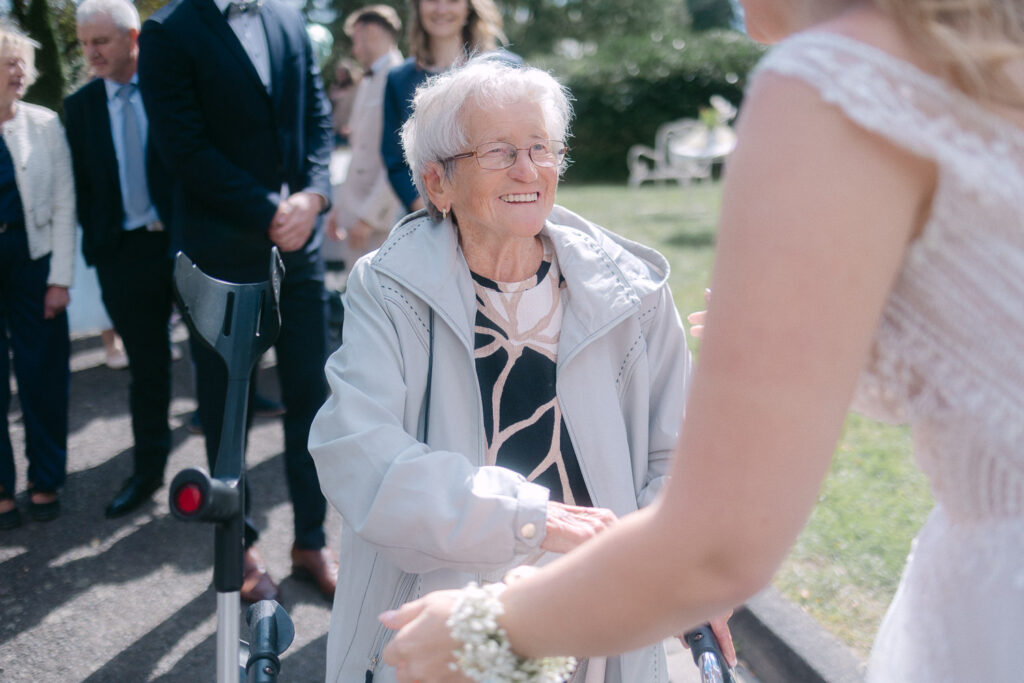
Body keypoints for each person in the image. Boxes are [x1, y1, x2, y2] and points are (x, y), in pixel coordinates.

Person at [379, 0, 1024, 681]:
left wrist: (484, 627)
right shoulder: (986, 62)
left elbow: (718, 545)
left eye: (539, 149)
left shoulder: (839, 80)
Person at [308, 57, 734, 682]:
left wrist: (668, 568)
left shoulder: (631, 292)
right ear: (438, 183)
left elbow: (679, 459)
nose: (528, 170)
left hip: (597, 620)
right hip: (448, 628)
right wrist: (532, 518)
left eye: (540, 147)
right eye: (500, 152)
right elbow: (359, 455)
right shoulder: (388, 287)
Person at [138, 0, 339, 603]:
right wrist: (268, 210)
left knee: (312, 397)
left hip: (299, 249)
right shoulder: (167, 32)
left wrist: (314, 196)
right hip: (218, 253)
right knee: (229, 409)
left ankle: (310, 539)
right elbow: (185, 150)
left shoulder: (287, 18)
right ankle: (239, 547)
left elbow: (319, 118)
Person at [64, 0, 178, 519]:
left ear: (133, 39)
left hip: (183, 243)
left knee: (216, 360)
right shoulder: (81, 106)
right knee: (148, 368)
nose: (91, 53)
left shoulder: (170, 86)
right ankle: (149, 471)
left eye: (101, 41)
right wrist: (98, 247)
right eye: (85, 43)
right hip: (124, 255)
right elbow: (81, 187)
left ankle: (225, 480)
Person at [0, 26, 75, 529]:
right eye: (8, 62)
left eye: (23, 61)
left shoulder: (45, 123)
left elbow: (64, 202)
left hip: (35, 262)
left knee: (43, 374)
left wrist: (60, 278)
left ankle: (45, 480)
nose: (19, 71)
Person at [381, 0, 515, 213]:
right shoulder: (398, 79)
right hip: (428, 215)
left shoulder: (506, 69)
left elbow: (520, 145)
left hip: (499, 210)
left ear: (469, 6)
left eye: (452, 0)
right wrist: (433, 209)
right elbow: (395, 159)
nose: (441, 9)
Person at [324, 4, 404, 270]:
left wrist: (370, 217)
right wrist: (340, 209)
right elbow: (360, 151)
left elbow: (401, 156)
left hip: (379, 224)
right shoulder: (368, 79)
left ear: (368, 32)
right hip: (356, 216)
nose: (354, 49)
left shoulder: (399, 78)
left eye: (354, 40)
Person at [327, 58, 361, 146]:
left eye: (343, 72)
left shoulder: (356, 90)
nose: (340, 75)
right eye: (339, 72)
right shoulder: (334, 89)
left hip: (348, 131)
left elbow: (358, 109)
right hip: (334, 130)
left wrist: (350, 125)